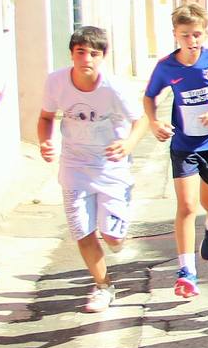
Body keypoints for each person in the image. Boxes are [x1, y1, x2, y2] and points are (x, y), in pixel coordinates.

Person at [38, 26, 149, 313]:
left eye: (94, 54)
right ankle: (103, 286)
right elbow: (46, 117)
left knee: (113, 239)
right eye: (80, 52)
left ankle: (119, 221)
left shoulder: (114, 87)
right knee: (82, 232)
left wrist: (127, 144)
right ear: (72, 54)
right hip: (75, 166)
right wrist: (45, 141)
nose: (86, 58)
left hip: (110, 167)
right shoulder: (55, 82)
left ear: (103, 57)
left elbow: (141, 121)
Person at [143, 4, 208, 300]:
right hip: (184, 145)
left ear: (205, 33)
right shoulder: (166, 67)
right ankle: (187, 272)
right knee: (186, 206)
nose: (192, 40)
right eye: (185, 35)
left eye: (197, 34)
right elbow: (149, 97)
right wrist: (154, 122)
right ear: (175, 35)